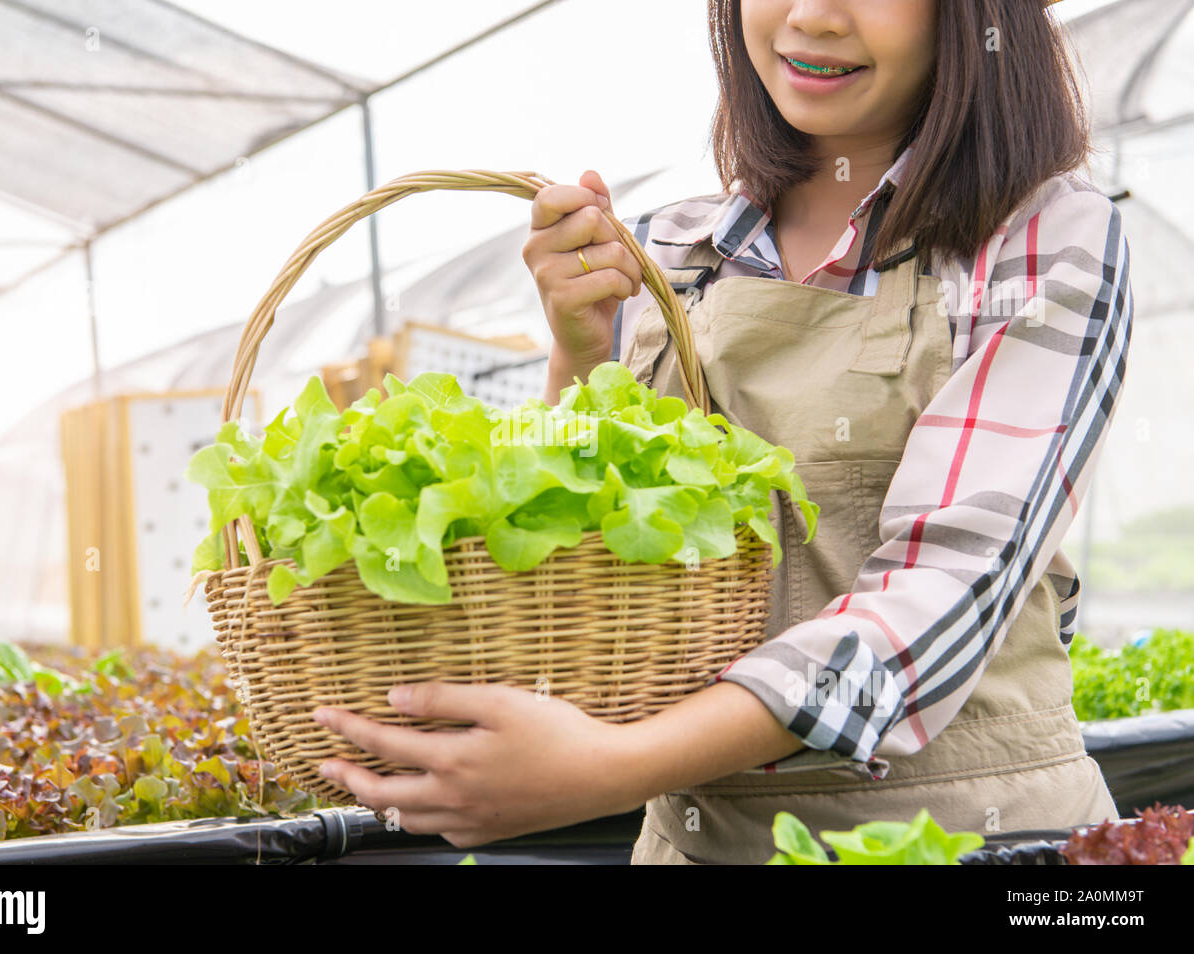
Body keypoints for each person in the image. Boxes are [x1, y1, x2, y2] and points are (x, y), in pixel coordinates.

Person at [311, 0, 1132, 863]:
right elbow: (599, 566)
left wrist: (616, 767)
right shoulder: (681, 247)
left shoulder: (1040, 237)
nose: (811, 17)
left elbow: (946, 590)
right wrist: (581, 355)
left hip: (969, 836)